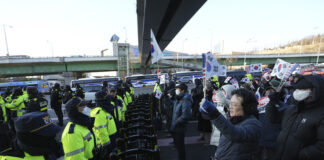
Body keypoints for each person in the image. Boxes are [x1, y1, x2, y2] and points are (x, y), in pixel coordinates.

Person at [266, 75, 324, 160]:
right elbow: (273, 119)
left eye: (303, 89)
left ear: (315, 91)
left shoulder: (321, 114)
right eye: (297, 89)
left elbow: (321, 147)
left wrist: (301, 155)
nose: (298, 91)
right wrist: (272, 102)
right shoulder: (292, 108)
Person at [200, 88, 262, 160]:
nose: (230, 107)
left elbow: (235, 134)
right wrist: (207, 113)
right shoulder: (234, 120)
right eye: (230, 104)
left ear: (247, 107)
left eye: (234, 105)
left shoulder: (254, 124)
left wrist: (215, 114)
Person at [91, 91, 117, 158]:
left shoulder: (105, 109)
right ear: (103, 98)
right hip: (107, 142)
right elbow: (101, 130)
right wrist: (107, 145)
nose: (108, 97)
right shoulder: (99, 113)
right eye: (106, 96)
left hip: (111, 138)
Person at [170, 83, 192, 160]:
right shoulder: (179, 98)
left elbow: (185, 115)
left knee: (180, 147)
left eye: (178, 89)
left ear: (183, 90)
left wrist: (176, 122)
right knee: (178, 146)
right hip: (176, 125)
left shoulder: (185, 100)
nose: (176, 90)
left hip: (179, 126)